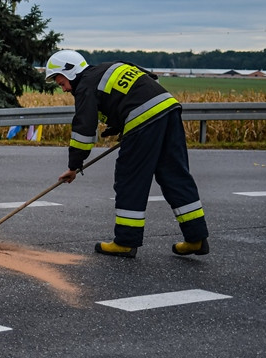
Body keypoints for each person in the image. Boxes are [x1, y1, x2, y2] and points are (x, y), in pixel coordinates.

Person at [46, 50, 209, 258]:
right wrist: (121, 124)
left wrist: (74, 166)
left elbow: (84, 129)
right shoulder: (109, 67)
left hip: (145, 120)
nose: (63, 89)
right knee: (175, 175)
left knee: (130, 179)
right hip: (168, 108)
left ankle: (125, 241)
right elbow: (145, 80)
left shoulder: (85, 85)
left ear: (70, 71)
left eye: (61, 83)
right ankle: (196, 238)